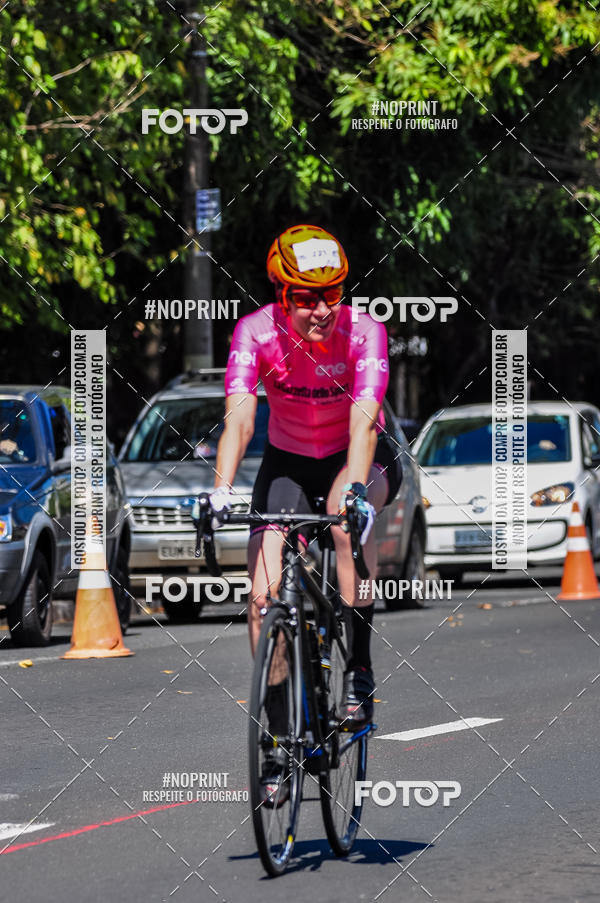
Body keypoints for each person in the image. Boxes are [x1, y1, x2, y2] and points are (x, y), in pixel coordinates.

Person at [210, 224, 401, 802]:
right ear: (280, 294)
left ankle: (359, 670)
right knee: (262, 594)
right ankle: (278, 738)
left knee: (346, 525)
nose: (321, 310)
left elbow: (364, 423)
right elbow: (241, 420)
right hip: (289, 463)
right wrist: (219, 491)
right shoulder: (254, 332)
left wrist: (356, 492)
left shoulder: (365, 331)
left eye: (332, 294)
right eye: (305, 298)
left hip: (359, 455)